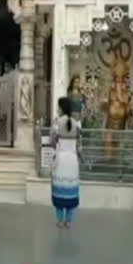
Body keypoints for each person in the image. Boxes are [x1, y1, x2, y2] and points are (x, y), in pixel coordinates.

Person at [51, 97, 84, 229]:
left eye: (59, 107)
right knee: (71, 191)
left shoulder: (57, 123)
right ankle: (69, 221)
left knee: (59, 189)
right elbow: (80, 146)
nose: (58, 109)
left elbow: (52, 142)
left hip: (61, 160)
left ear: (62, 108)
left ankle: (59, 221)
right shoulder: (77, 124)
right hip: (72, 161)